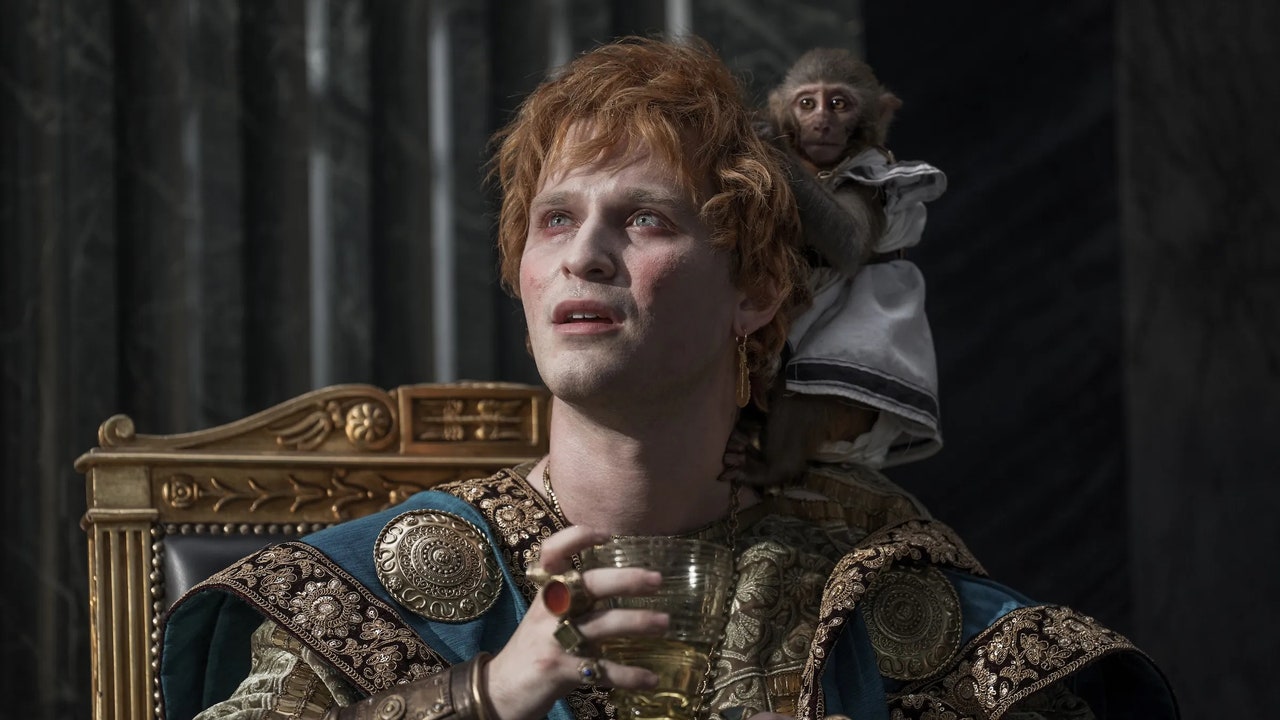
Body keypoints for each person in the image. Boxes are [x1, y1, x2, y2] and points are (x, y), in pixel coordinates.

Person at [158, 37, 1177, 720]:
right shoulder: (390, 582)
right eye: (556, 220)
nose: (583, 255)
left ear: (757, 291)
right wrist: (487, 693)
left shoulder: (865, 573)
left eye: (643, 219)